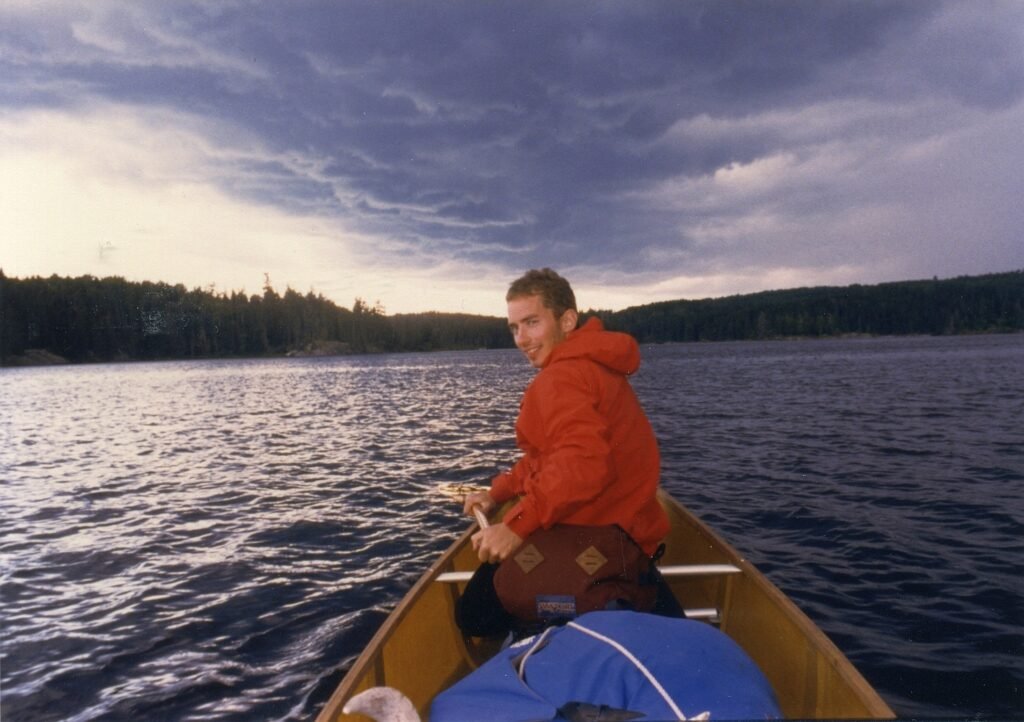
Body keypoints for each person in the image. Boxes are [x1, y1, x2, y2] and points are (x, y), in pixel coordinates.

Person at [457, 268, 675, 636]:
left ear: (567, 320)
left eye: (532, 323)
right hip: (630, 531)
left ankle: (550, 633)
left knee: (473, 614)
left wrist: (516, 527)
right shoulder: (592, 365)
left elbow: (582, 465)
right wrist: (498, 493)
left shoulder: (562, 377)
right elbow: (547, 457)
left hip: (601, 532)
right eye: (514, 328)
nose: (522, 339)